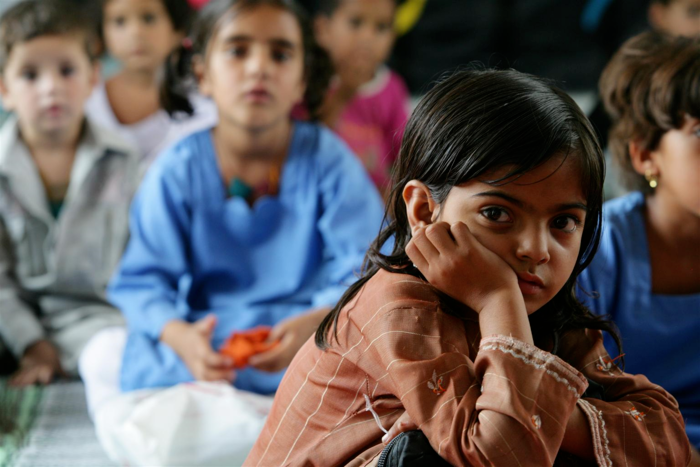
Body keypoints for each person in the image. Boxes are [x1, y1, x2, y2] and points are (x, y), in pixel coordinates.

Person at [245, 68, 691, 466]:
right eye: (497, 214)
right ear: (423, 211)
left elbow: (667, 442)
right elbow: (501, 456)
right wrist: (498, 301)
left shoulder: (549, 314)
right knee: (432, 454)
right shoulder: (399, 305)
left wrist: (549, 414)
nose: (536, 250)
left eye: (563, 222)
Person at [79, 0, 384, 415]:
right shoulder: (177, 169)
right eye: (238, 50)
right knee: (104, 354)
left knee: (373, 364)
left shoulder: (328, 161)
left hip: (312, 341)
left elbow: (367, 269)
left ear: (302, 79)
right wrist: (182, 338)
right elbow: (143, 282)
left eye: (280, 54)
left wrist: (319, 321)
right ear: (202, 75)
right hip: (208, 343)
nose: (259, 68)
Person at [0, 0, 139, 386]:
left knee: (114, 358)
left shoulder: (126, 165)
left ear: (93, 78)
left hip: (100, 323)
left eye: (67, 70)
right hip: (12, 330)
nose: (51, 88)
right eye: (30, 74)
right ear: (4, 89)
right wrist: (31, 343)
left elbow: (141, 268)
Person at [577, 31, 700, 461]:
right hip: (620, 442)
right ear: (646, 156)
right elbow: (570, 392)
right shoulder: (598, 246)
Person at [85, 0, 217, 167]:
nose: (136, 32)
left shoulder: (203, 105)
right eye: (119, 21)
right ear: (102, 32)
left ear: (178, 29)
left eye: (148, 18)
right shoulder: (87, 99)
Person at [313, 0, 409, 196]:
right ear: (323, 30)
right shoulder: (312, 82)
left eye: (381, 27)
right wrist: (344, 93)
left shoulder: (392, 88)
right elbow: (306, 144)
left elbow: (404, 154)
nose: (368, 37)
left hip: (376, 198)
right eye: (355, 23)